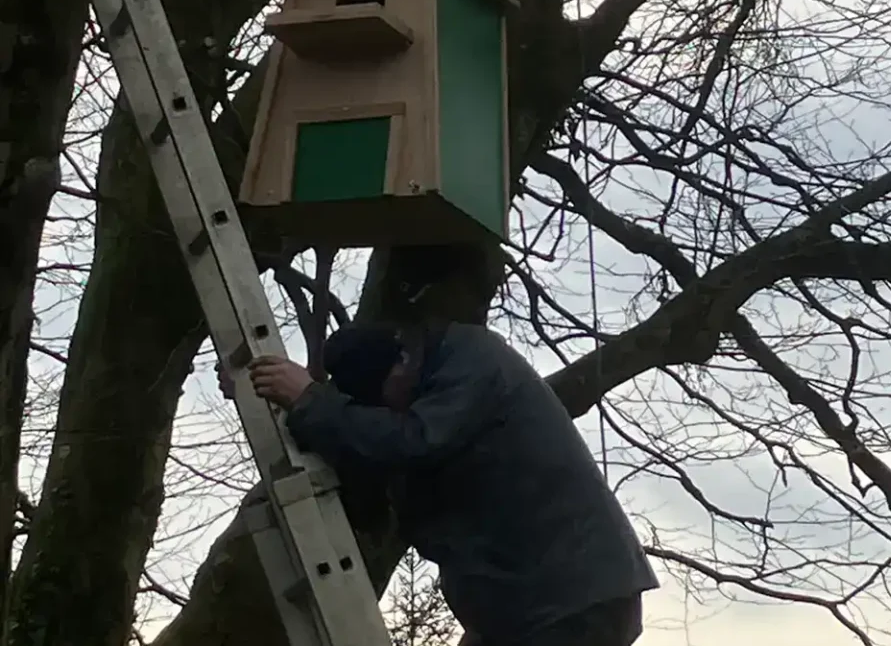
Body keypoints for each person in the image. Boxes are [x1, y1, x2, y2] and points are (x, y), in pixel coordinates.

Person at [220, 250, 659, 645]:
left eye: (383, 400)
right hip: (526, 607)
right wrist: (259, 396)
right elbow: (370, 492)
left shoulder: (475, 358)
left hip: (572, 598)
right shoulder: (421, 404)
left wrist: (311, 402)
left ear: (403, 359)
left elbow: (412, 441)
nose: (388, 409)